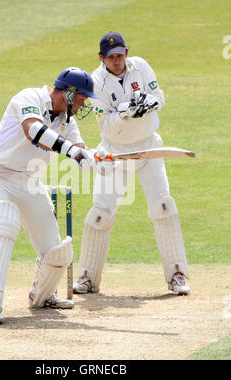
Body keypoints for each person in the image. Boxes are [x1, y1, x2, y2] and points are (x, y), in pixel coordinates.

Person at [0, 67, 103, 324]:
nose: (83, 104)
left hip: (29, 183)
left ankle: (43, 296)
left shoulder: (67, 120)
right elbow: (33, 130)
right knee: (4, 225)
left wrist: (93, 157)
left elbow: (77, 148)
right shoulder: (29, 97)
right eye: (81, 98)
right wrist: (72, 152)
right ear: (68, 94)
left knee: (56, 250)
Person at [73, 32, 190, 296]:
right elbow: (108, 127)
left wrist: (150, 103)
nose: (118, 61)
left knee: (163, 205)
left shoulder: (141, 66)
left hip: (149, 146)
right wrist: (126, 112)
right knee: (101, 212)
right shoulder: (96, 83)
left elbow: (159, 95)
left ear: (127, 52)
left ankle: (177, 275)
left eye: (121, 55)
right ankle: (87, 278)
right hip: (115, 152)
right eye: (112, 57)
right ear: (102, 57)